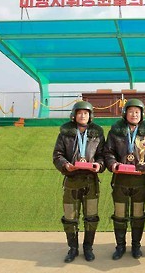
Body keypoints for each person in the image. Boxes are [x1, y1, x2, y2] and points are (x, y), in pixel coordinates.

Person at [53, 101, 106, 263]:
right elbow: (57, 155)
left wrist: (99, 165)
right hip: (71, 180)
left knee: (91, 216)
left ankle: (88, 248)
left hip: (91, 181)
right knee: (70, 217)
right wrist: (65, 165)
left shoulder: (97, 133)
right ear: (74, 115)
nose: (83, 116)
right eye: (80, 113)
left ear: (90, 116)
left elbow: (103, 155)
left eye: (86, 113)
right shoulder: (65, 133)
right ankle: (73, 248)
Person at [104, 98, 145, 260]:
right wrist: (113, 164)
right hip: (120, 180)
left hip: (140, 180)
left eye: (137, 112)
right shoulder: (115, 131)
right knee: (119, 214)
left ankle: (136, 246)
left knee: (138, 214)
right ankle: (120, 246)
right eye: (131, 111)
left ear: (142, 114)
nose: (134, 114)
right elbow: (108, 152)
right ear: (125, 113)